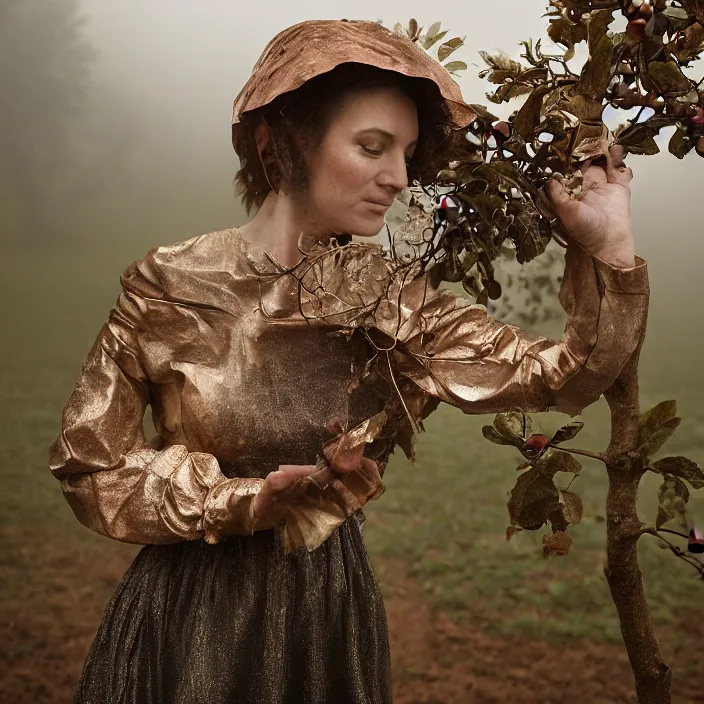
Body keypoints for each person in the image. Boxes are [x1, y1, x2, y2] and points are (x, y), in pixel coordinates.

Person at [49, 19, 649, 704]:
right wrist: (243, 502)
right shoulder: (169, 285)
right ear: (281, 144)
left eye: (408, 153)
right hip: (187, 612)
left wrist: (607, 244)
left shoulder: (391, 300)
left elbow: (566, 376)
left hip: (324, 612)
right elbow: (88, 466)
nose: (396, 178)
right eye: (371, 146)